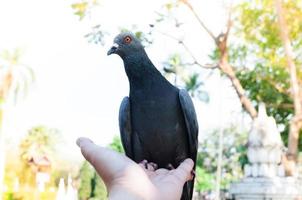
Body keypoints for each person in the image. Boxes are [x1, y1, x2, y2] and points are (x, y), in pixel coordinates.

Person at [76, 137, 194, 200]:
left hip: (176, 177)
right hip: (161, 177)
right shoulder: (128, 105)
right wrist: (127, 188)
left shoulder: (180, 97)